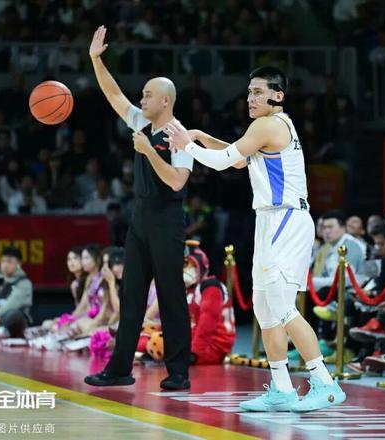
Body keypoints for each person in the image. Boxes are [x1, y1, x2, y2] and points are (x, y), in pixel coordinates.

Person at [166, 66, 346, 412]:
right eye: (249, 91)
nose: (250, 98)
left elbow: (223, 162)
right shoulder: (266, 128)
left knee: (281, 306)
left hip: (286, 218)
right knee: (264, 307)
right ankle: (282, 388)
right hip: (270, 219)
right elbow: (237, 160)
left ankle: (325, 383)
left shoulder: (269, 124)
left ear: (278, 95)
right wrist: (200, 136)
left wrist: (187, 145)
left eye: (259, 92)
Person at [84, 25, 193, 391]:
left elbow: (177, 182)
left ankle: (178, 373)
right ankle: (118, 369)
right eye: (143, 94)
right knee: (131, 296)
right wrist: (96, 60)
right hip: (140, 219)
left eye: (148, 95)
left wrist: (149, 152)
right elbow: (113, 94)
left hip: (167, 220)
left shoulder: (180, 136)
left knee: (171, 296)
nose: (141, 99)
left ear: (165, 101)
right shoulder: (141, 122)